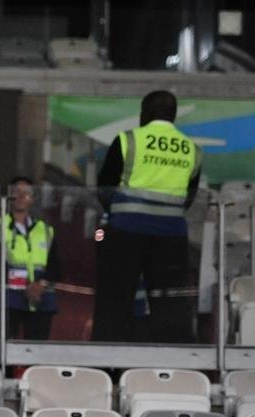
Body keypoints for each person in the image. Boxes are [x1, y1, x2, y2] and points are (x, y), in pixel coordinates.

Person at [93, 89, 202, 343]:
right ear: (173, 115)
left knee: (115, 300)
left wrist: (118, 210)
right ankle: (170, 367)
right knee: (168, 303)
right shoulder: (192, 150)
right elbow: (189, 197)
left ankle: (106, 366)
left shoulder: (128, 140)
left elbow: (104, 187)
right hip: (172, 237)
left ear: (146, 113)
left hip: (126, 232)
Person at [0, 176, 60, 340]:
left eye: (26, 193)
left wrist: (40, 285)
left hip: (42, 300)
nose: (21, 196)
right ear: (8, 197)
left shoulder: (45, 230)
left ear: (32, 199)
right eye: (16, 192)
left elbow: (56, 267)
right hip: (10, 300)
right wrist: (27, 286)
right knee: (6, 351)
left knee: (37, 354)